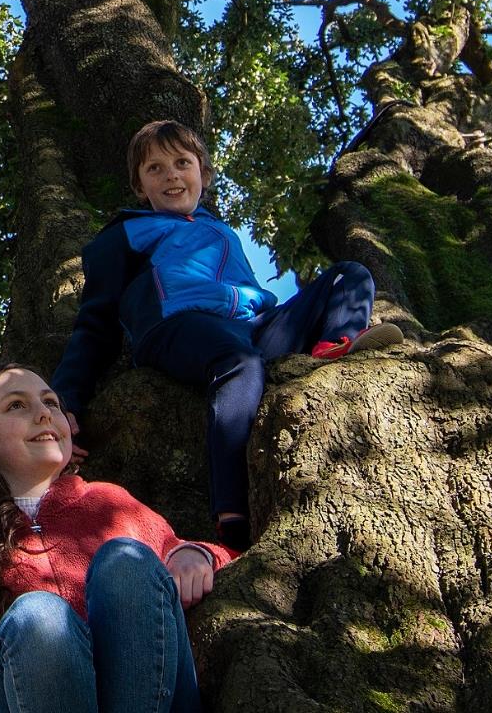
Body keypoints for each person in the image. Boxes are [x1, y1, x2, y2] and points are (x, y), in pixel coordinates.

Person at [49, 120, 402, 551]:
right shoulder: (126, 232)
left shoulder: (220, 230)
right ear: (140, 187)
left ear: (204, 174)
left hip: (253, 326)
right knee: (239, 364)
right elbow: (95, 321)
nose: (172, 175)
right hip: (178, 324)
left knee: (351, 274)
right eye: (155, 169)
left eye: (182, 163)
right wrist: (66, 402)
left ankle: (331, 348)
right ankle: (232, 514)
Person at [0, 362, 234, 713]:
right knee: (38, 615)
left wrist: (193, 554)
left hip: (147, 696)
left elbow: (200, 553)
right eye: (16, 405)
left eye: (51, 403)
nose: (44, 414)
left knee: (124, 561)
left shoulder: (110, 502)